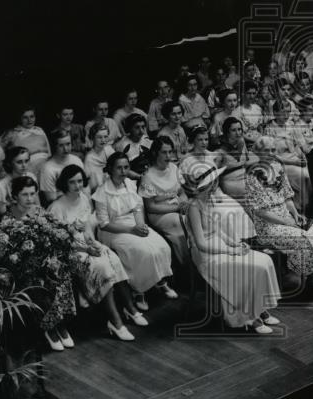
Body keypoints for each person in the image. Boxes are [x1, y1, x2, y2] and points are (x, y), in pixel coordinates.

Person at [245, 137, 313, 297]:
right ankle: (312, 282)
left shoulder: (278, 166)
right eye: (266, 150)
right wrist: (286, 221)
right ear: (258, 152)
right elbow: (260, 211)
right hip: (269, 225)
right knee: (304, 239)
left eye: (273, 150)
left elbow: (287, 196)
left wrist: (295, 214)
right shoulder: (252, 175)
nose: (270, 154)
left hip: (286, 217)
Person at [183, 165, 282, 333]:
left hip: (220, 246)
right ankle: (250, 317)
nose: (215, 184)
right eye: (213, 181)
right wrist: (229, 251)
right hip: (206, 255)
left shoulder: (210, 200)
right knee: (251, 268)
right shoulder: (194, 206)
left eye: (215, 181)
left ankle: (259, 308)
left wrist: (234, 243)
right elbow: (200, 243)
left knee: (264, 260)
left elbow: (218, 231)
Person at [47, 165, 136, 342]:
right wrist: (86, 249)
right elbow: (59, 242)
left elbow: (87, 227)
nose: (77, 185)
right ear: (64, 183)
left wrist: (92, 242)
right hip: (69, 251)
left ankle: (130, 308)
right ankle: (115, 321)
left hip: (86, 244)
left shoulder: (84, 199)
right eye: (72, 182)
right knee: (102, 267)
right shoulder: (56, 207)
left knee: (114, 259)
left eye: (80, 181)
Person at [94, 152, 178, 315]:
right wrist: (131, 230)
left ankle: (159, 282)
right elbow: (104, 224)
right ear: (110, 169)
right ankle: (139, 291)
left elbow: (138, 206)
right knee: (141, 251)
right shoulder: (102, 192)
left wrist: (140, 224)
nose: (123, 171)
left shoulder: (130, 184)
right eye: (119, 168)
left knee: (161, 246)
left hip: (134, 223)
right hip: (114, 229)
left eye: (126, 167)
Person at [5, 177, 77, 351]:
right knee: (43, 280)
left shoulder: (39, 210)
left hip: (45, 258)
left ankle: (60, 324)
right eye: (24, 195)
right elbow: (11, 249)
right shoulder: (9, 217)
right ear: (15, 196)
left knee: (62, 272)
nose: (29, 198)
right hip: (24, 264)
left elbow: (54, 232)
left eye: (32, 194)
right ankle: (49, 328)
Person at [180, 126, 256, 241]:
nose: (204, 143)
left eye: (206, 139)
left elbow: (216, 177)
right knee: (224, 214)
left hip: (215, 192)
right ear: (193, 141)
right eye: (200, 140)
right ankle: (231, 242)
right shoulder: (187, 161)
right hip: (200, 198)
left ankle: (246, 240)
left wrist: (215, 191)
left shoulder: (211, 155)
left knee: (237, 208)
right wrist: (204, 193)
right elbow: (188, 187)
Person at [138, 137, 189, 266]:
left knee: (198, 214)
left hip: (177, 206)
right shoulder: (148, 176)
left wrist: (184, 203)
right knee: (182, 223)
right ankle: (185, 263)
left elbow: (182, 192)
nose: (168, 156)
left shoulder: (173, 168)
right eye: (164, 152)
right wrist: (177, 208)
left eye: (170, 152)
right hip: (160, 214)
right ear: (155, 153)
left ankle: (200, 257)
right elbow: (150, 207)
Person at [263, 99, 312, 212]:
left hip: (295, 159)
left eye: (288, 112)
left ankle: (310, 205)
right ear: (275, 113)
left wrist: (302, 156)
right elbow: (271, 155)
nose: (286, 115)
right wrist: (293, 162)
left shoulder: (291, 126)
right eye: (283, 112)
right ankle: (300, 207)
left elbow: (298, 145)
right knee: (304, 175)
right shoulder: (269, 129)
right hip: (281, 162)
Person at [0, 106, 51, 177]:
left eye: (32, 116)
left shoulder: (39, 130)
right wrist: (2, 170)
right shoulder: (12, 133)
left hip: (46, 169)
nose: (29, 120)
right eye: (25, 117)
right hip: (26, 171)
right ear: (20, 118)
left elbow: (49, 152)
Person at [37, 128, 85, 206]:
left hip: (79, 203)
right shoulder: (47, 169)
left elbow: (85, 188)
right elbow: (51, 199)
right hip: (60, 207)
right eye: (61, 145)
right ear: (55, 146)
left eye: (68, 144)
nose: (65, 149)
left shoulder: (77, 160)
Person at [218, 117, 258, 203]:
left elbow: (246, 159)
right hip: (230, 180)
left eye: (239, 129)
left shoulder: (241, 142)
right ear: (227, 133)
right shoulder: (220, 151)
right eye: (233, 130)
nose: (238, 133)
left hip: (243, 175)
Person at [0, 146, 36, 219]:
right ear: (10, 163)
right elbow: (1, 211)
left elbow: (36, 202)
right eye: (19, 162)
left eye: (26, 161)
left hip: (32, 215)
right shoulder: (1, 185)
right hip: (12, 220)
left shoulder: (31, 177)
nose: (24, 165)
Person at [84, 123, 114, 192]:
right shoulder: (89, 158)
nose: (103, 140)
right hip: (98, 189)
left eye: (105, 137)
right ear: (93, 138)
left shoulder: (109, 149)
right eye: (99, 137)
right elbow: (91, 182)